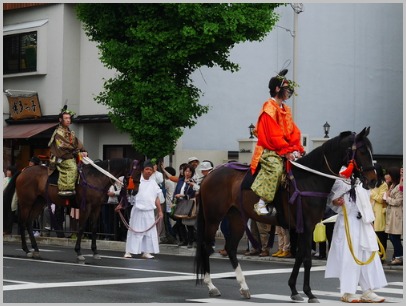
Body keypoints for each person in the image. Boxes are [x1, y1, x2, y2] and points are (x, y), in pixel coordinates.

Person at [325, 167, 387, 303]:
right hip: (348, 220)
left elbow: (366, 199)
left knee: (368, 255)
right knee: (349, 256)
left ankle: (367, 290)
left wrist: (370, 220)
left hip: (364, 221)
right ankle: (348, 291)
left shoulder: (363, 175)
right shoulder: (339, 174)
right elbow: (330, 197)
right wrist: (335, 201)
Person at [250, 69, 304, 215]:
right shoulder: (269, 107)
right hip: (269, 149)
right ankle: (261, 202)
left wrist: (295, 148)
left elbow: (293, 130)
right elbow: (273, 135)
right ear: (277, 89)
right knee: (276, 169)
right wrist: (286, 152)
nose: (288, 92)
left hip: (284, 148)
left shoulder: (285, 108)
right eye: (285, 89)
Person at [124, 160, 163, 259]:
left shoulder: (154, 183)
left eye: (150, 169)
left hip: (149, 211)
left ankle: (146, 252)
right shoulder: (136, 180)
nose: (149, 171)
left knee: (149, 232)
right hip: (138, 209)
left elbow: (157, 198)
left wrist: (160, 211)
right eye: (147, 169)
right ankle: (129, 251)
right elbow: (128, 193)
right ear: (142, 170)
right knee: (134, 231)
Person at [48, 105, 87, 197]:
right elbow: (63, 145)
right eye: (66, 118)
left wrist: (83, 150)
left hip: (70, 156)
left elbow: (77, 143)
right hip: (61, 157)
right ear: (60, 120)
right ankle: (66, 189)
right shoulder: (58, 132)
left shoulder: (70, 132)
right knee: (72, 167)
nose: (68, 120)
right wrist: (77, 151)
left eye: (69, 118)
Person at [173, 164, 197, 248]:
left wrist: (182, 195)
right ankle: (184, 240)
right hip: (180, 203)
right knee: (179, 223)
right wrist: (175, 199)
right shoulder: (180, 180)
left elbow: (193, 193)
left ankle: (191, 241)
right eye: (186, 171)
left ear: (192, 173)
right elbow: (176, 190)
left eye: (189, 171)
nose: (187, 173)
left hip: (188, 203)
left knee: (188, 223)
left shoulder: (193, 181)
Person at [384, 166, 403, 265]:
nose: (387, 176)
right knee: (392, 236)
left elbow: (398, 202)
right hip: (392, 213)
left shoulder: (400, 186)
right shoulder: (393, 185)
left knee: (394, 236)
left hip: (397, 214)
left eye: (389, 174)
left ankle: (399, 257)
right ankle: (397, 256)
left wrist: (387, 199)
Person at [369, 164, 388, 261]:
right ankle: (375, 255)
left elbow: (381, 199)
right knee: (371, 234)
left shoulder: (383, 184)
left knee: (380, 234)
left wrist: (371, 192)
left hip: (379, 211)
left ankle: (382, 255)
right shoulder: (370, 182)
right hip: (370, 210)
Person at [102, 176, 123, 240]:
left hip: (118, 205)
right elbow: (108, 193)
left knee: (116, 222)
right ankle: (108, 235)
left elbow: (122, 192)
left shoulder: (121, 185)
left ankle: (117, 236)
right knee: (108, 221)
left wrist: (114, 193)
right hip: (109, 205)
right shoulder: (110, 185)